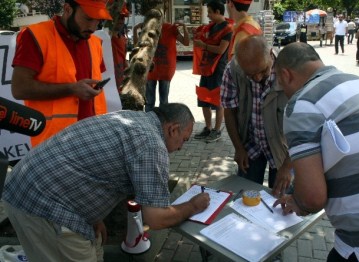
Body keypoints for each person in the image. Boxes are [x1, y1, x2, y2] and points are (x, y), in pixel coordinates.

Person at [2, 103, 210, 262]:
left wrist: (93, 216)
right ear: (173, 129)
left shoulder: (131, 118)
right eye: (184, 139)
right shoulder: (151, 145)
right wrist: (193, 206)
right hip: (41, 206)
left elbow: (90, 168)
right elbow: (155, 219)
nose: (182, 148)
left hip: (25, 187)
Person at [274, 42, 359, 261]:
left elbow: (312, 198)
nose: (284, 91)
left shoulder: (302, 104)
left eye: (280, 84)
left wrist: (298, 202)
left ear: (286, 74)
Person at [11, 0, 112, 147]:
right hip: (52, 144)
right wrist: (72, 89)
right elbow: (19, 89)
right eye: (88, 18)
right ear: (67, 9)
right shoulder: (35, 36)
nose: (92, 27)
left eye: (98, 20)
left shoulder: (95, 43)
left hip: (93, 138)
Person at [221, 35, 292, 196]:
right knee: (245, 198)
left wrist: (288, 166)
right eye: (250, 75)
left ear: (270, 54)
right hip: (251, 145)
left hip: (285, 149)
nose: (258, 78)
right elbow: (229, 111)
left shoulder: (289, 68)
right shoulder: (233, 70)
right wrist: (239, 148)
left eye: (262, 71)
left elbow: (305, 126)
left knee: (281, 201)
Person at [193, 0, 232, 143]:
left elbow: (221, 50)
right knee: (203, 98)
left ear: (217, 11)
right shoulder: (210, 27)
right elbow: (202, 38)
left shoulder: (227, 29)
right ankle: (208, 128)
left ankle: (216, 130)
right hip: (206, 67)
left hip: (218, 69)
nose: (208, 15)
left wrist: (203, 45)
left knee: (216, 101)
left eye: (209, 12)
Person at [134, 21, 189, 112]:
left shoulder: (171, 28)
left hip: (165, 69)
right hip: (151, 69)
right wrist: (135, 29)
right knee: (150, 101)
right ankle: (150, 121)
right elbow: (137, 45)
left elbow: (186, 42)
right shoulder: (147, 28)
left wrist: (184, 27)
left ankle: (162, 121)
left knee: (162, 101)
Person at [110, 2, 129, 91]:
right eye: (119, 17)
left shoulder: (123, 39)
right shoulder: (102, 39)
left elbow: (123, 59)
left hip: (120, 85)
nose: (121, 21)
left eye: (123, 18)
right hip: (108, 88)